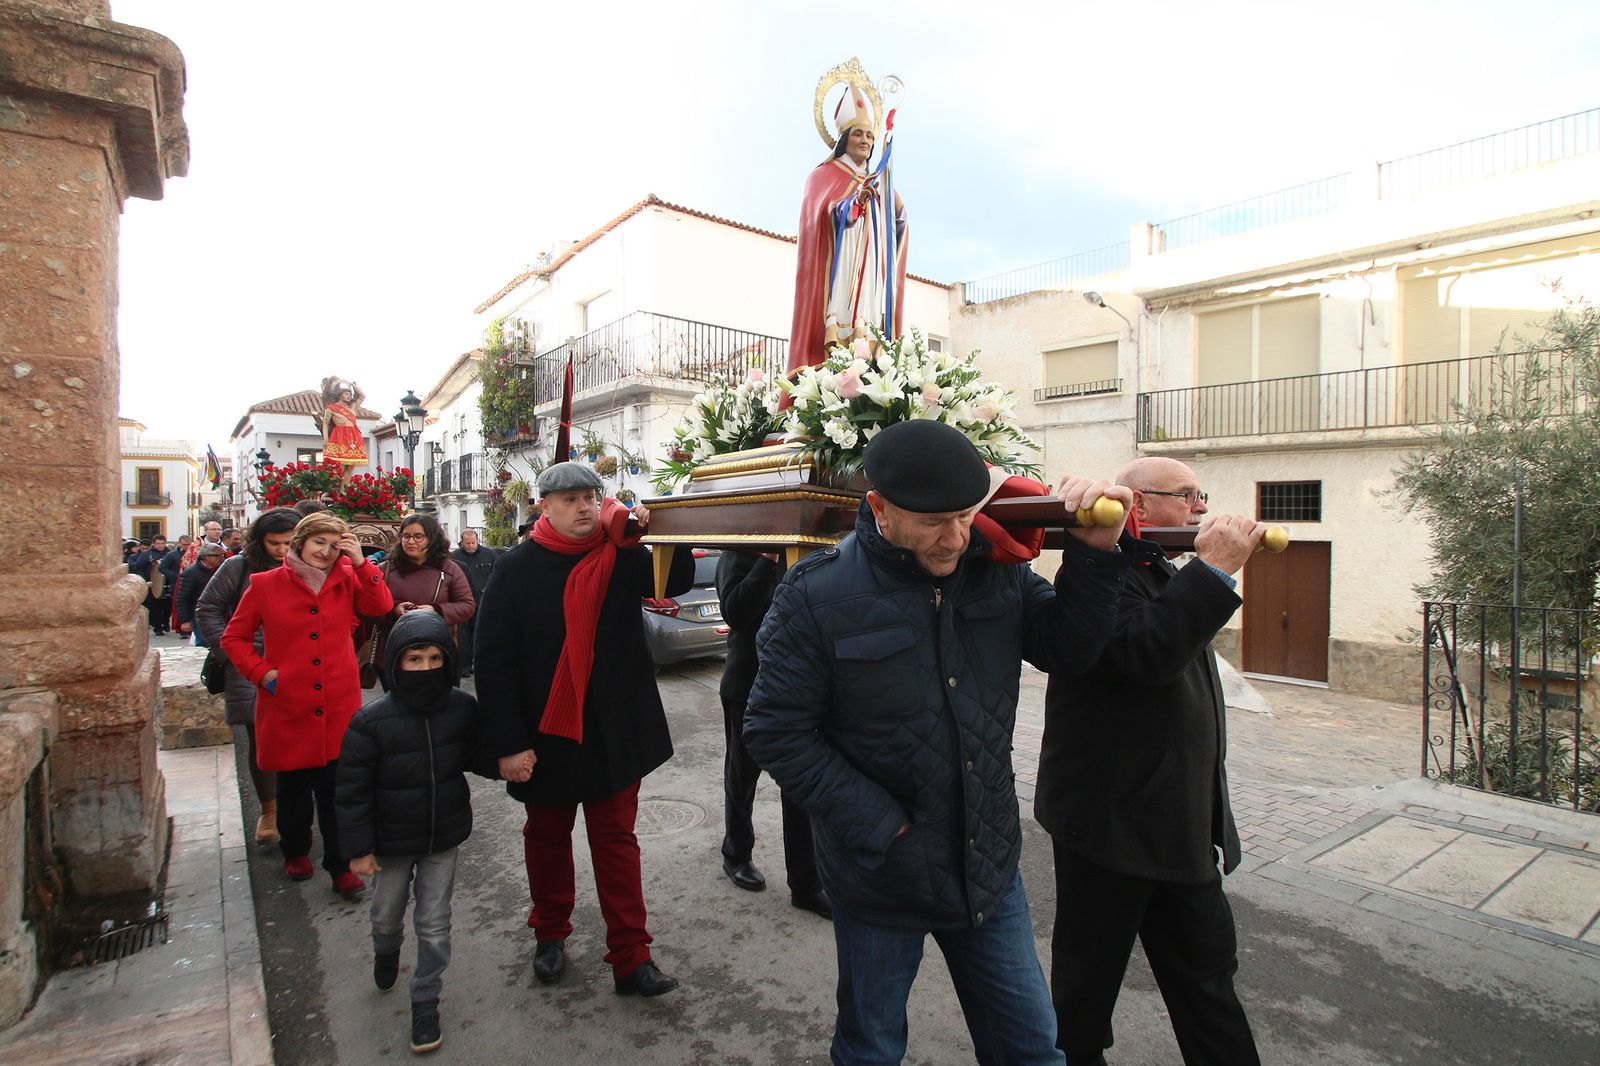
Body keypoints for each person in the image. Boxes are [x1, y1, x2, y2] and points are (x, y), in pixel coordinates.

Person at [744, 419, 1133, 1066]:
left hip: (986, 868)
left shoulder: (995, 574)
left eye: (964, 516)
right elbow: (775, 731)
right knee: (871, 1048)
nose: (955, 538)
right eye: (933, 521)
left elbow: (1070, 650)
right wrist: (882, 827)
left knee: (1034, 1050)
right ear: (880, 508)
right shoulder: (816, 596)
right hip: (880, 876)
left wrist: (1094, 554)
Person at [1037, 457, 1265, 1066]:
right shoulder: (1099, 577)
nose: (1199, 506)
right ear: (1137, 506)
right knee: (1085, 990)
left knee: (1208, 981)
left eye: (1200, 494)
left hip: (1178, 827)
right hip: (1109, 824)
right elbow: (1145, 654)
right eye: (1186, 495)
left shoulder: (1163, 569)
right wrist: (1215, 569)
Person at [475, 461, 694, 998]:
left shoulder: (619, 555)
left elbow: (677, 579)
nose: (582, 508)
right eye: (569, 499)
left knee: (617, 842)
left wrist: (656, 529)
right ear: (543, 507)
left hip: (615, 728)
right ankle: (550, 934)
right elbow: (493, 660)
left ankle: (631, 956)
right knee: (547, 839)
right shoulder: (516, 568)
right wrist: (508, 743)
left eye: (589, 498)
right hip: (546, 734)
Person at [220, 512, 394, 899]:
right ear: (300, 542)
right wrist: (264, 674)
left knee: (337, 794)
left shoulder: (348, 579)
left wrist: (362, 562)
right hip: (288, 703)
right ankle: (295, 850)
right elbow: (234, 639)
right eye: (320, 543)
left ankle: (339, 866)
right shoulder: (264, 584)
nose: (327, 552)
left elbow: (380, 606)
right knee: (294, 790)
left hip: (337, 703)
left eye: (334, 546)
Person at [337, 610, 483, 1056]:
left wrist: (516, 762)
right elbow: (351, 792)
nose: (425, 668)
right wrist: (358, 849)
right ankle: (386, 951)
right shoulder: (370, 722)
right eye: (414, 659)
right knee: (386, 914)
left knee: (434, 922)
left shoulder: (461, 708)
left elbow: (479, 755)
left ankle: (425, 999)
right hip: (390, 843)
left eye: (435, 658)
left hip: (443, 835)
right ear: (396, 662)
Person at [714, 550, 828, 916]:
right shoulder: (739, 553)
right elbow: (736, 612)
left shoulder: (804, 552)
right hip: (746, 684)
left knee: (798, 786)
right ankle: (736, 854)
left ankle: (806, 884)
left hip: (794, 687)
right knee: (742, 777)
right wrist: (765, 560)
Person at [196, 507, 301, 846]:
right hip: (250, 663)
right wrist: (230, 652)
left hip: (299, 662)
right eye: (274, 543)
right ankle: (268, 811)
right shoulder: (237, 567)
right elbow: (207, 608)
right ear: (260, 541)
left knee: (304, 738)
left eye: (289, 543)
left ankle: (299, 805)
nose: (282, 551)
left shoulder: (311, 567)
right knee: (262, 741)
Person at [787, 85, 907, 376]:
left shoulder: (878, 180)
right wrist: (852, 205)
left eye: (869, 136)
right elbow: (822, 218)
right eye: (857, 134)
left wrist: (897, 209)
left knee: (871, 321)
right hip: (841, 273)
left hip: (871, 276)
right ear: (843, 139)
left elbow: (896, 227)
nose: (865, 141)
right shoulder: (822, 177)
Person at [372, 514, 475, 689]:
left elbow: (467, 605)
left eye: (418, 536)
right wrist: (394, 609)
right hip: (395, 652)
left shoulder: (449, 569)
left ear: (432, 539)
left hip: (437, 652)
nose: (410, 541)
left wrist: (436, 611)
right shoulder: (386, 569)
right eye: (406, 536)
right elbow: (369, 609)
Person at [447, 528, 499, 677]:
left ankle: (479, 662)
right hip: (463, 600)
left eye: (472, 542)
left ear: (477, 541)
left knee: (481, 632)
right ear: (461, 543)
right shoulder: (454, 558)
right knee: (463, 635)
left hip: (484, 600)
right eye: (467, 543)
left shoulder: (490, 555)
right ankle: (464, 665)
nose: (470, 545)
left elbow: (497, 575)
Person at [175, 544, 227, 645]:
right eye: (217, 556)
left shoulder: (222, 569)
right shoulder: (191, 572)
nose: (221, 558)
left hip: (219, 612)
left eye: (222, 556)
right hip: (199, 614)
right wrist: (185, 620)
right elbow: (183, 598)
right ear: (206, 557)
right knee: (204, 642)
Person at [318, 377, 368, 468]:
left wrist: (352, 385)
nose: (349, 396)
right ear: (340, 395)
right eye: (346, 394)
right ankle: (338, 482)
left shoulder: (352, 406)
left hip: (353, 435)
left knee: (351, 465)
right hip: (339, 435)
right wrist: (325, 438)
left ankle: (345, 483)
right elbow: (325, 423)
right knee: (336, 464)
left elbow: (362, 396)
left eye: (350, 394)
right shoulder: (331, 408)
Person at [131, 535, 171, 634]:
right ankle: (157, 627)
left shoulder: (170, 554)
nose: (160, 546)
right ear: (153, 543)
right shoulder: (147, 554)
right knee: (155, 606)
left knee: (167, 606)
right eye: (158, 543)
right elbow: (138, 567)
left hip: (167, 583)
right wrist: (144, 579)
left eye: (162, 543)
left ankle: (165, 622)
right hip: (153, 583)